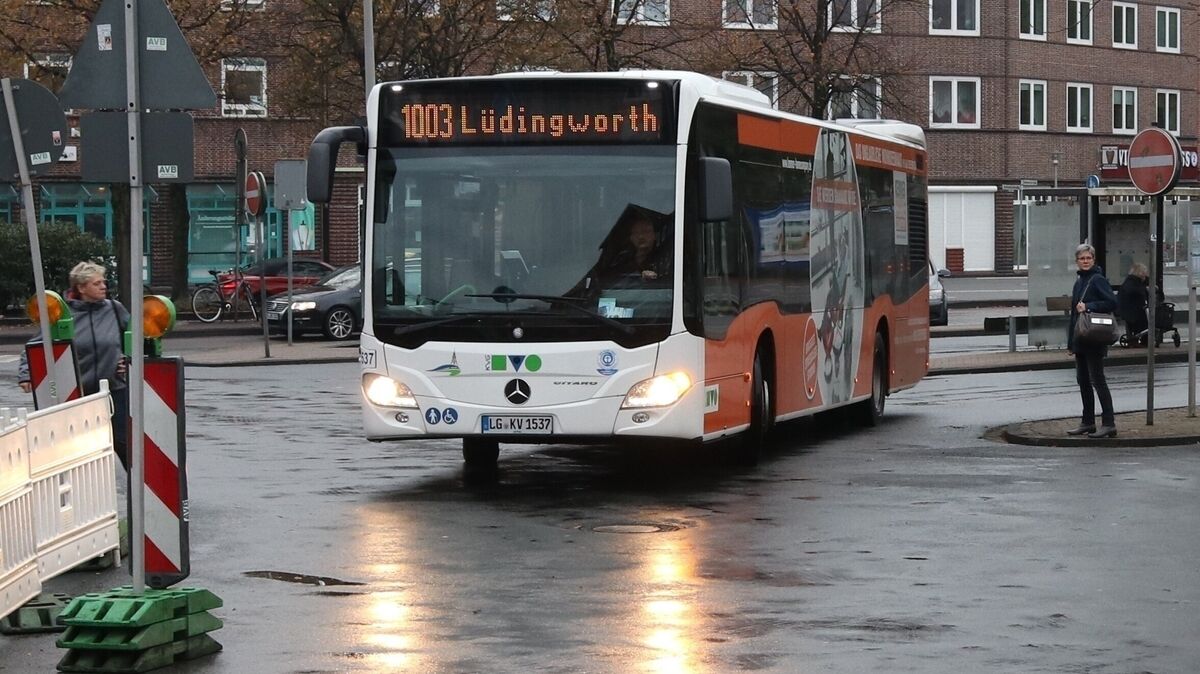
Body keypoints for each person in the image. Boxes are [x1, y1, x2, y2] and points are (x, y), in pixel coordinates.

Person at [18, 262, 131, 468]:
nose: (103, 286)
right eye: (96, 283)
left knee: (127, 445)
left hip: (115, 391)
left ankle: (141, 490)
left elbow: (136, 338)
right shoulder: (63, 315)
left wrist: (129, 360)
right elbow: (35, 344)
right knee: (81, 453)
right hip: (78, 395)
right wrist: (26, 374)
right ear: (81, 288)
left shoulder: (115, 309)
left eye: (103, 282)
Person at [1066, 244, 1118, 439]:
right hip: (1081, 338)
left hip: (1095, 337)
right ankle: (1088, 422)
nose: (1085, 261)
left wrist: (1089, 306)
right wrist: (1070, 342)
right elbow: (1073, 315)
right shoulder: (1079, 281)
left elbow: (1112, 303)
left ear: (1094, 260)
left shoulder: (1098, 280)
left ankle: (1109, 423)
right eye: (1082, 258)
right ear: (1077, 261)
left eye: (1088, 258)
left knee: (1098, 380)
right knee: (1083, 381)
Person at [570, 205, 670, 297]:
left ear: (654, 235)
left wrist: (652, 280)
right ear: (631, 238)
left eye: (646, 232)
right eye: (636, 233)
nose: (641, 237)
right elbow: (606, 283)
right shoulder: (619, 259)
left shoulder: (665, 259)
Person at [1117, 262, 1151, 342]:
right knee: (1144, 320)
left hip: (1132, 309)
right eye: (1144, 273)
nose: (1146, 275)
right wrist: (1145, 289)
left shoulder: (1135, 281)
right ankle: (1141, 339)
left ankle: (1143, 339)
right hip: (1131, 310)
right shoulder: (1132, 282)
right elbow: (1135, 291)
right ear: (1140, 273)